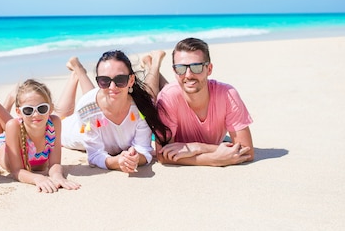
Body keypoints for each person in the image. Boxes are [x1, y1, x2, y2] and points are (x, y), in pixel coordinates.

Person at [56, 50, 171, 173]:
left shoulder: (140, 107)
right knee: (60, 117)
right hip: (74, 130)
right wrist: (116, 162)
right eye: (104, 81)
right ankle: (78, 70)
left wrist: (136, 158)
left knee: (99, 100)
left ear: (131, 80)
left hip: (97, 111)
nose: (112, 87)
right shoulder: (86, 109)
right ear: (98, 82)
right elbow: (94, 155)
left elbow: (143, 150)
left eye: (120, 80)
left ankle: (79, 70)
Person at [0, 79, 81, 193]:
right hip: (1, 147)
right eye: (28, 110)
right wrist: (37, 178)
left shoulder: (54, 123)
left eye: (42, 108)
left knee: (20, 124)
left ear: (50, 108)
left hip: (21, 132)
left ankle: (13, 102)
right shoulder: (13, 126)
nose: (36, 114)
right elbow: (17, 171)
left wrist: (58, 176)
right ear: (19, 112)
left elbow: (55, 163)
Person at [154, 37, 254, 166]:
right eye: (180, 68)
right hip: (164, 113)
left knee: (182, 86)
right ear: (174, 71)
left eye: (196, 67)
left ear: (209, 69)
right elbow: (162, 154)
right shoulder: (167, 98)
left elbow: (248, 151)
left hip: (177, 102)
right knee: (151, 98)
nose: (188, 74)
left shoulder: (227, 95)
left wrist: (199, 147)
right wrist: (212, 159)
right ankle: (154, 65)